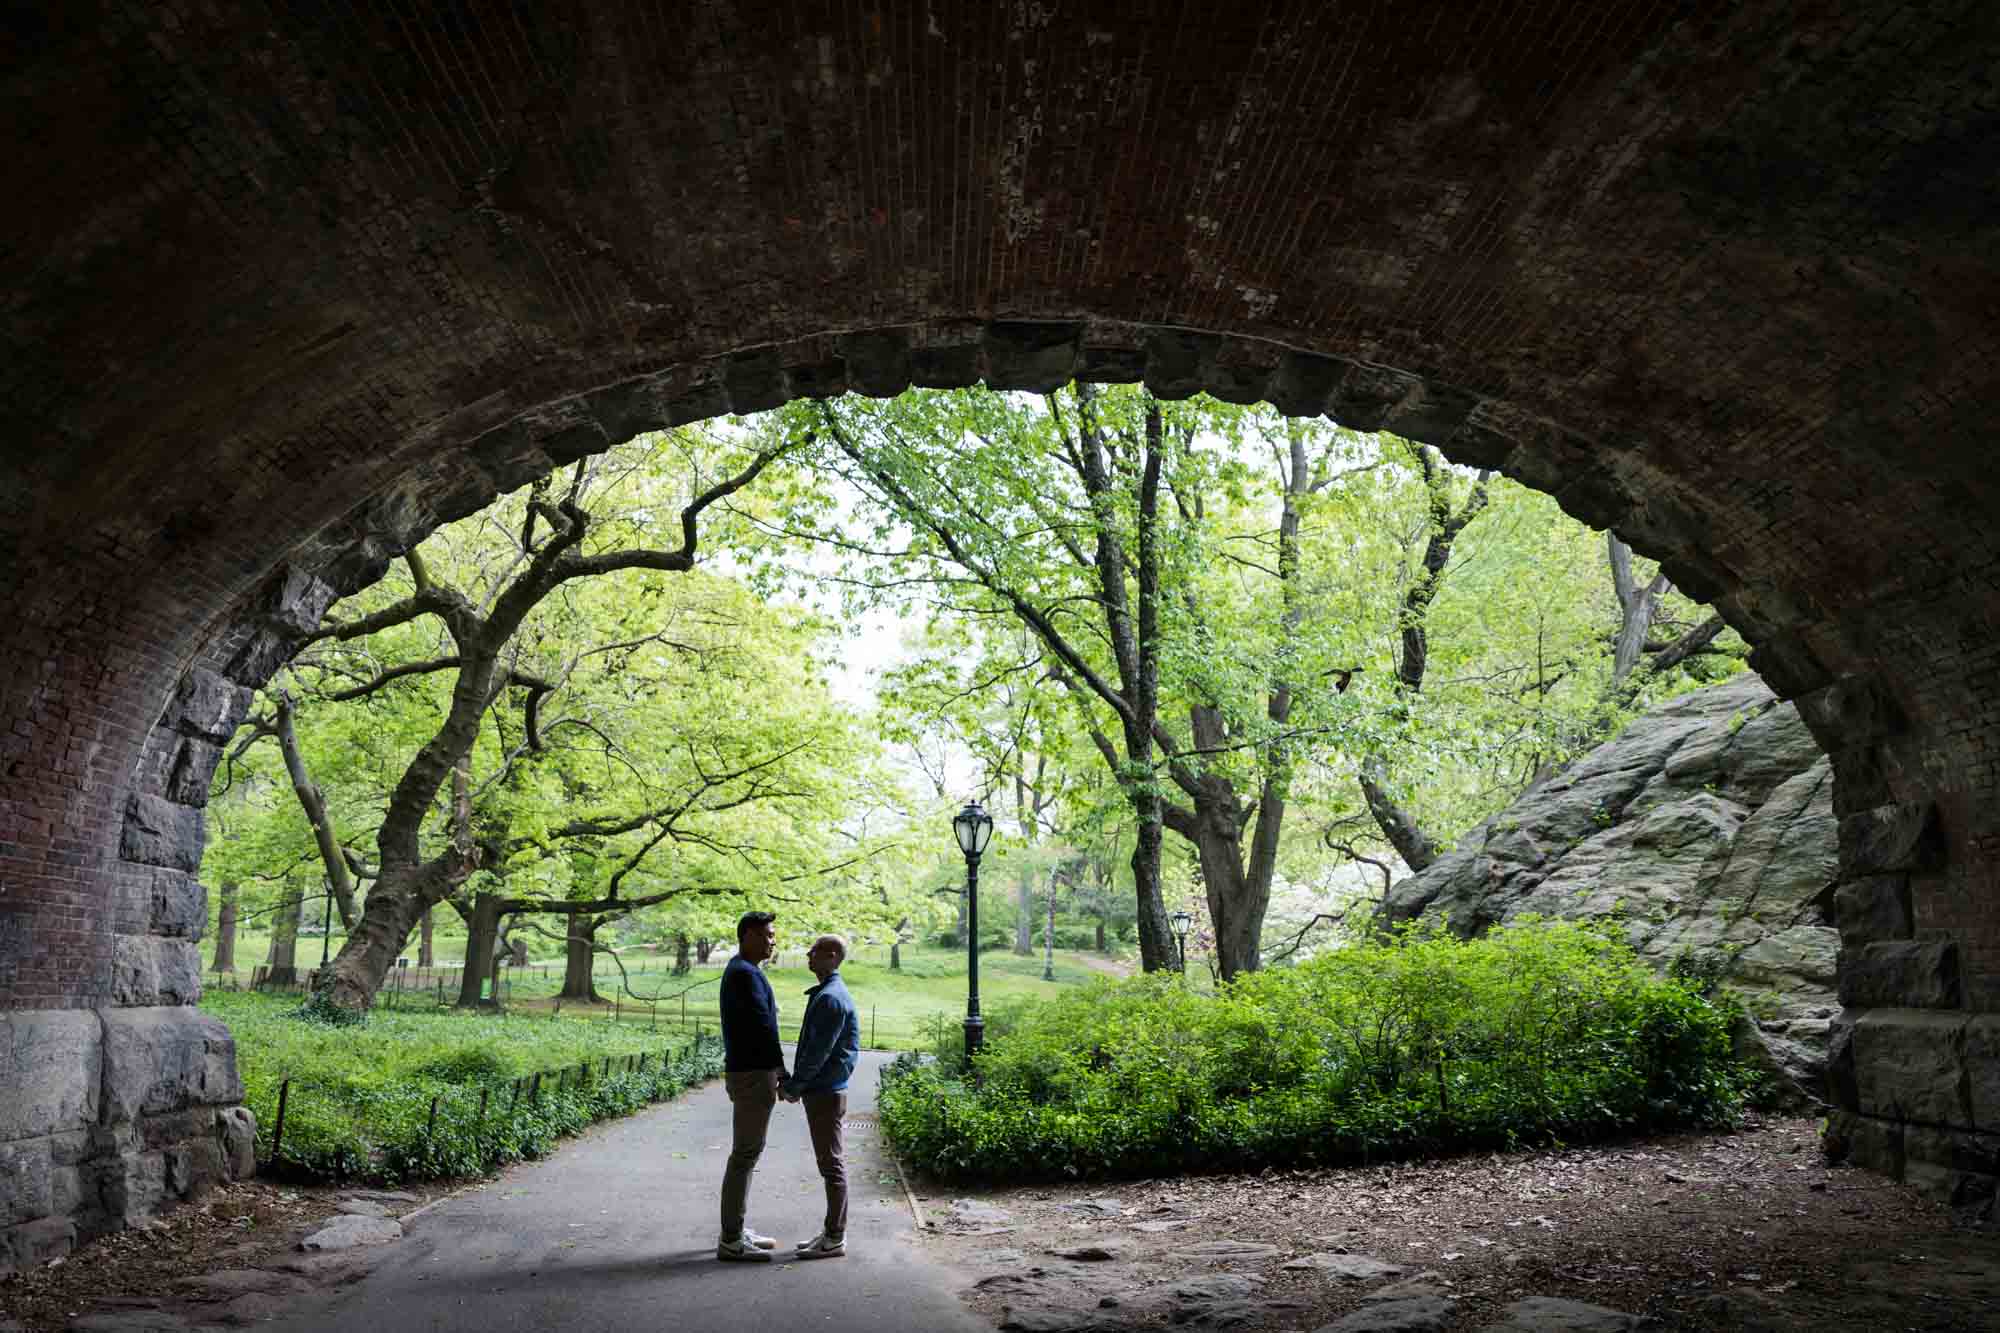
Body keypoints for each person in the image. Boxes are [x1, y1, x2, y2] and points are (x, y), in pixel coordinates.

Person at [779, 933, 861, 1260]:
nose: (808, 954)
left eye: (814, 950)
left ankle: (835, 1237)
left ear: (830, 955)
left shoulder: (831, 998)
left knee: (831, 1164)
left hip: (825, 1093)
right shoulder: (828, 993)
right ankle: (830, 1232)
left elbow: (817, 1053)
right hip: (825, 1091)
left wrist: (794, 1086)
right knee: (829, 1163)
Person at [716, 910, 786, 1262]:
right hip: (753, 1074)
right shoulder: (744, 974)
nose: (772, 941)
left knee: (746, 1154)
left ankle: (736, 1230)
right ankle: (731, 1240)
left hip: (749, 1072)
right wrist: (782, 1071)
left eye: (772, 936)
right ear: (746, 936)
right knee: (744, 1155)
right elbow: (763, 1029)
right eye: (765, 935)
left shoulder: (744, 971)